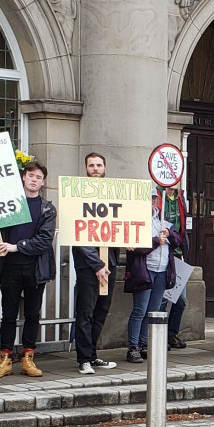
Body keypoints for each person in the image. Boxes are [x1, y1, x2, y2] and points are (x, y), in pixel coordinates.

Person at [0, 161, 57, 378]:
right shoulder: (9, 204)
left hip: (36, 269)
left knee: (32, 314)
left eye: (38, 177)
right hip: (10, 267)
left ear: (43, 182)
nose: (34, 180)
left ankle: (28, 357)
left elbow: (44, 240)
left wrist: (16, 247)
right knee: (8, 313)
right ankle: (6, 358)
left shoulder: (47, 208)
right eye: (31, 176)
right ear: (23, 178)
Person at [72, 153, 118, 374]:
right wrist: (96, 264)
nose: (96, 168)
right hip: (88, 266)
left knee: (101, 311)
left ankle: (92, 355)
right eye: (91, 165)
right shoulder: (77, 195)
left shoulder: (113, 194)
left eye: (99, 165)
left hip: (109, 265)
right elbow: (78, 233)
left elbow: (119, 225)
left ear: (105, 167)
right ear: (86, 168)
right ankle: (83, 359)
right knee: (86, 313)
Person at [123, 189, 177, 363]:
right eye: (148, 199)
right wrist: (155, 241)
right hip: (144, 270)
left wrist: (170, 235)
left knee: (153, 311)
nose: (151, 202)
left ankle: (144, 343)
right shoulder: (135, 221)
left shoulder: (164, 219)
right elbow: (134, 247)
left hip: (162, 270)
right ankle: (133, 347)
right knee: (140, 309)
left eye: (154, 199)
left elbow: (179, 241)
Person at [156, 184, 190, 349]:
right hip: (161, 253)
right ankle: (158, 336)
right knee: (162, 299)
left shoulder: (180, 197)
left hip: (177, 253)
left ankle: (171, 334)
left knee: (181, 299)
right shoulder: (156, 194)